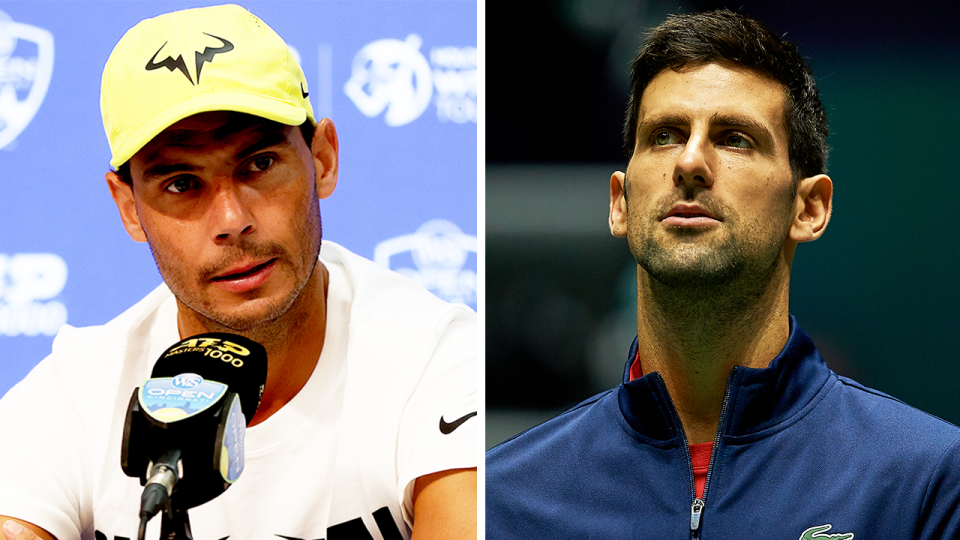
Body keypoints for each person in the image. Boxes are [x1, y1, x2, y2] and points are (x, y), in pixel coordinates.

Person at [0, 5, 476, 540]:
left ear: (322, 159)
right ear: (129, 207)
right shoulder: (74, 397)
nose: (232, 221)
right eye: (181, 183)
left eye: (259, 165)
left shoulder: (438, 361)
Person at [485, 9, 960, 538]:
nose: (689, 162)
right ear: (620, 202)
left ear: (809, 209)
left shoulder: (925, 482)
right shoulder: (505, 498)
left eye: (735, 138)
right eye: (665, 135)